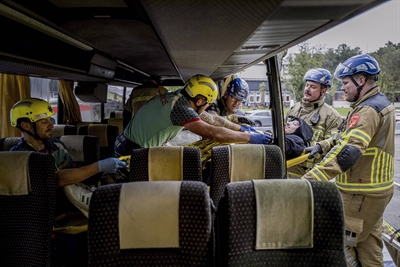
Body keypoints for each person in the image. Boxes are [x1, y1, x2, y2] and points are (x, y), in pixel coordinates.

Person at [9, 97, 126, 267]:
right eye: (43, 122)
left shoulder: (57, 145)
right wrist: (98, 166)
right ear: (26, 126)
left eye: (50, 120)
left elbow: (74, 173)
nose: (51, 125)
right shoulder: (19, 157)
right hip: (49, 220)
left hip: (74, 208)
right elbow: (54, 179)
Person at [302, 54, 395, 267]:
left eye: (345, 83)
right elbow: (345, 137)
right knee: (369, 246)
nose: (342, 88)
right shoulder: (375, 104)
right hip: (375, 193)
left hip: (360, 195)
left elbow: (350, 151)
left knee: (333, 241)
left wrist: (311, 178)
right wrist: (321, 146)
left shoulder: (368, 110)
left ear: (360, 80)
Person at [115, 74, 271, 157]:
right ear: (199, 100)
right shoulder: (181, 108)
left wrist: (242, 128)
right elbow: (213, 132)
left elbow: (213, 119)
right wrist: (250, 138)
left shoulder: (177, 97)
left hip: (124, 141)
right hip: (129, 151)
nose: (208, 107)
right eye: (207, 104)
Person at [286, 68, 343, 178]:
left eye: (313, 87)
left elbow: (333, 145)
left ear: (323, 91)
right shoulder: (293, 109)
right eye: (307, 85)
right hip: (286, 170)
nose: (307, 89)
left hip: (310, 175)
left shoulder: (331, 116)